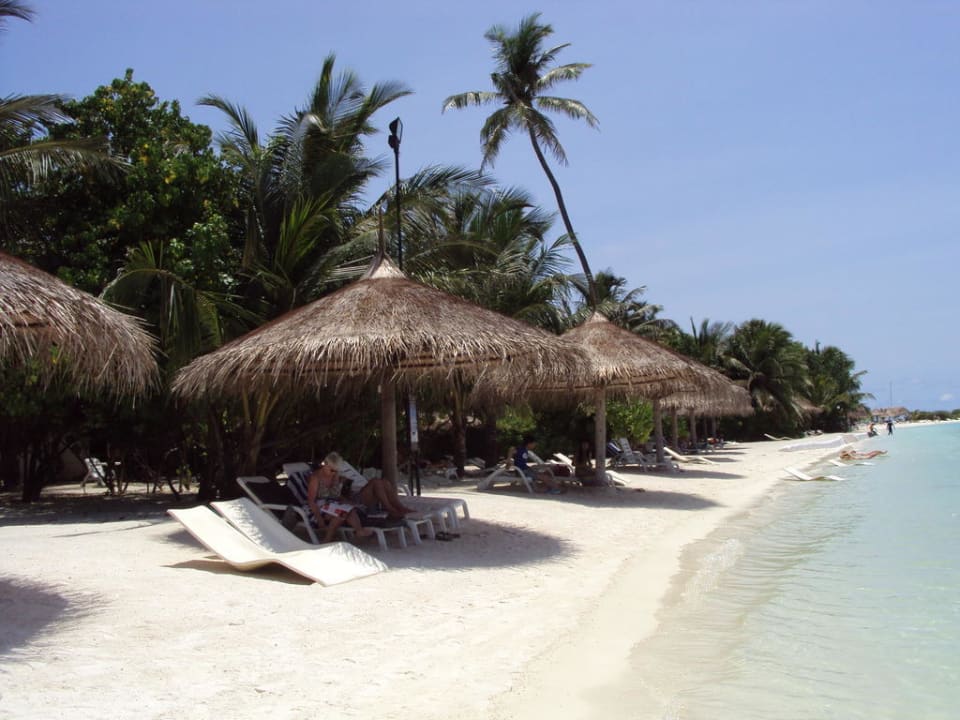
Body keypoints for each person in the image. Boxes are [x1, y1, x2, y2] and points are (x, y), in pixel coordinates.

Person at [304, 454, 374, 544]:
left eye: (336, 471)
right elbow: (311, 501)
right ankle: (327, 540)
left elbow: (335, 494)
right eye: (332, 470)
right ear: (325, 464)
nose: (334, 472)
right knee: (341, 513)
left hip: (331, 504)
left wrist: (346, 500)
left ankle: (359, 530)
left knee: (349, 509)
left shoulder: (334, 475)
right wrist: (319, 519)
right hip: (316, 507)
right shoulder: (315, 478)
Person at [326, 451, 415, 519]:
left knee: (384, 482)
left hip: (362, 492)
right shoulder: (331, 474)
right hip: (355, 498)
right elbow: (336, 495)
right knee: (375, 481)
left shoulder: (344, 466)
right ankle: (390, 509)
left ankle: (399, 506)